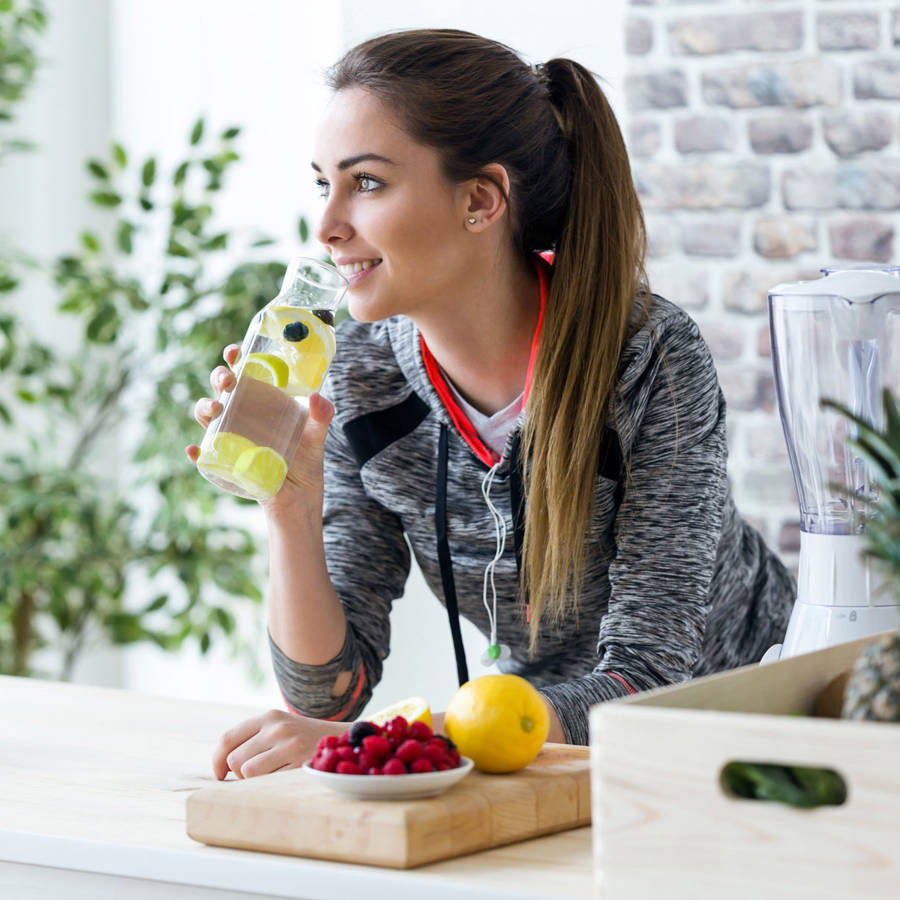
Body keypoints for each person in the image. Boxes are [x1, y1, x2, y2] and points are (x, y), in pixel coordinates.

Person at [187, 29, 794, 780]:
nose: (325, 226)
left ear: (480, 199)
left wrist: (392, 742)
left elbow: (650, 680)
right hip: (546, 754)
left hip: (760, 738)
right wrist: (290, 505)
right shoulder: (361, 376)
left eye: (366, 183)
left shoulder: (645, 356)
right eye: (323, 183)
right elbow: (331, 693)